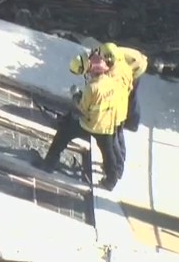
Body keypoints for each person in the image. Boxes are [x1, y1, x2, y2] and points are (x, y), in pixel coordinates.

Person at [38, 53, 126, 190]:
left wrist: (75, 95)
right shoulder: (111, 82)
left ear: (91, 70)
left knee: (63, 134)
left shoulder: (92, 88)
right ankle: (111, 180)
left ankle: (49, 164)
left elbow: (83, 107)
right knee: (108, 153)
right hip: (106, 125)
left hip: (89, 123)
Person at [99, 42, 148, 131]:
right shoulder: (107, 53)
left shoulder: (114, 59)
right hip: (135, 61)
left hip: (137, 67)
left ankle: (132, 123)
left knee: (128, 95)